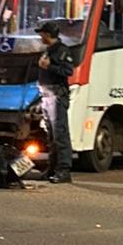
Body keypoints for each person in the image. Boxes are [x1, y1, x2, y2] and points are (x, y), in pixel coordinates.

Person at [36, 20, 75, 183]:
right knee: (51, 134)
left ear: (47, 34)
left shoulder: (61, 50)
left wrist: (49, 67)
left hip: (57, 95)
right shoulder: (49, 50)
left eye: (42, 34)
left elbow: (68, 71)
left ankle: (64, 171)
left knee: (60, 134)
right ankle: (52, 168)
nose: (40, 37)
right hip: (47, 94)